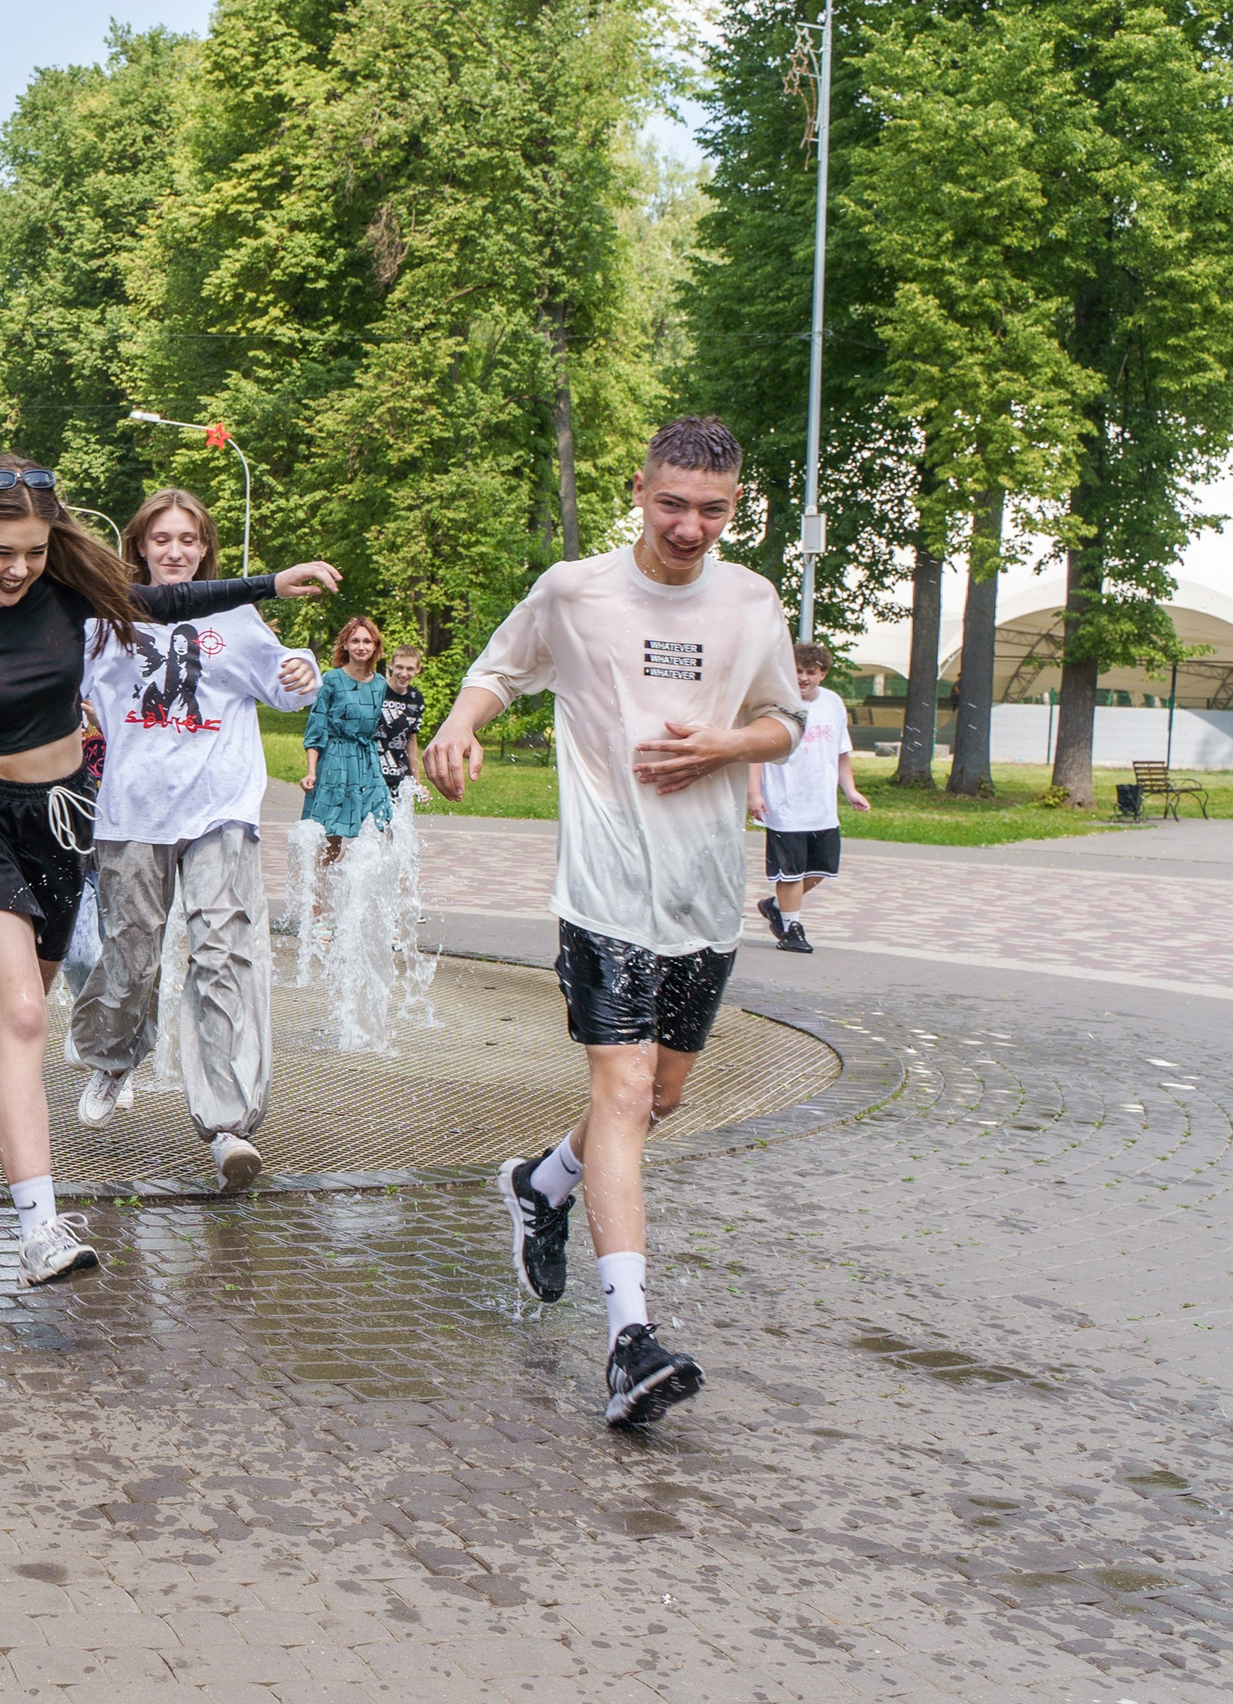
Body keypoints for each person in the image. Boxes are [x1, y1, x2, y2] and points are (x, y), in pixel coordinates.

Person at [0, 453, 339, 1285]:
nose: (20, 569)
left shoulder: (73, 605)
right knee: (28, 1013)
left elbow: (174, 602)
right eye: (3, 551)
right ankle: (39, 1225)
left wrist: (272, 583)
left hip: (59, 823)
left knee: (21, 999)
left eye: (36, 552)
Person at [425, 416, 802, 1428]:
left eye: (711, 510)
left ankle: (542, 1184)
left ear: (735, 506)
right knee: (626, 1093)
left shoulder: (750, 600)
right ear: (638, 488)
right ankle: (629, 1339)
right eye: (670, 503)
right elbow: (500, 669)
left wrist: (726, 742)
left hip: (703, 888)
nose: (687, 526)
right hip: (603, 888)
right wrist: (461, 722)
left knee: (663, 1096)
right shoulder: (573, 590)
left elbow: (784, 721)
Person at [67, 487, 321, 1190]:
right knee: (132, 958)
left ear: (205, 547)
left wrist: (304, 671)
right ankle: (112, 1058)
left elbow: (286, 683)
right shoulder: (106, 621)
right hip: (132, 816)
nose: (176, 551)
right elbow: (59, 685)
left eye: (188, 540)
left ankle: (227, 1125)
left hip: (220, 815)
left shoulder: (235, 617)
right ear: (140, 548)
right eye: (161, 540)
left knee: (222, 957)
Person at [748, 641, 869, 953]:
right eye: (797, 670)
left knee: (822, 867)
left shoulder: (832, 703)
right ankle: (791, 928)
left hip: (821, 803)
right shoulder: (775, 703)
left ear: (823, 674)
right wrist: (754, 793)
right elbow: (756, 753)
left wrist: (850, 790)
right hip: (785, 801)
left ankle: (776, 906)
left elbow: (842, 753)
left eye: (810, 672)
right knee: (789, 869)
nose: (803, 677)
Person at [300, 617, 394, 856]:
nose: (361, 646)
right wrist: (312, 772)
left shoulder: (381, 683)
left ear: (375, 646)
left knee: (383, 820)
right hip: (336, 759)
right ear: (345, 645)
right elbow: (316, 729)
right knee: (331, 834)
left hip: (367, 759)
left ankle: (369, 882)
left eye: (366, 641)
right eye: (355, 641)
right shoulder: (332, 680)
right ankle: (323, 890)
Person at [376, 642, 428, 796]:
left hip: (400, 774)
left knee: (399, 819)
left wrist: (418, 784)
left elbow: (411, 741)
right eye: (399, 667)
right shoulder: (376, 690)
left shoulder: (415, 698)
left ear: (417, 669)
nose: (404, 673)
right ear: (391, 665)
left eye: (410, 668)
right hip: (373, 771)